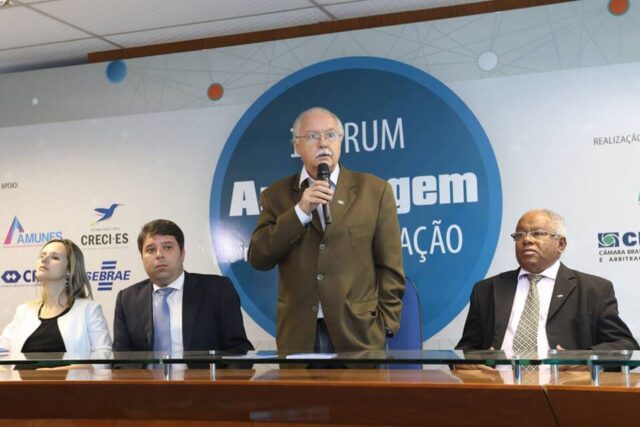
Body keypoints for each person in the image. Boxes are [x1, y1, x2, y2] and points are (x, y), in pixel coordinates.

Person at [248, 107, 405, 353]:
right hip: (299, 335)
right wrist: (300, 212)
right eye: (312, 136)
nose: (323, 143)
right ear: (297, 145)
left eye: (330, 135)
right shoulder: (275, 196)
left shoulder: (374, 191)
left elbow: (390, 267)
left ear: (340, 140)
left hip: (360, 334)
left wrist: (385, 324)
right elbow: (259, 257)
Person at [456, 209, 638, 355]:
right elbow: (467, 347)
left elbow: (624, 344)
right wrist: (471, 361)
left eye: (538, 233)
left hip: (564, 384)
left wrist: (585, 359)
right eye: (519, 234)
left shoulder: (594, 289)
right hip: (498, 384)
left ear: (561, 244)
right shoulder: (486, 289)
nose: (527, 240)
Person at [113, 219, 253, 358]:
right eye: (151, 250)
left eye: (168, 247)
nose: (159, 255)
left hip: (205, 373)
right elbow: (121, 358)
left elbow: (239, 350)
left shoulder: (217, 290)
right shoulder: (126, 299)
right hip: (145, 374)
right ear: (142, 258)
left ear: (182, 253)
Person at [0, 239, 112, 356]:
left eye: (55, 257)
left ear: (69, 269)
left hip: (74, 370)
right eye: (42, 255)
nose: (44, 259)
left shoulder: (89, 310)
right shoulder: (24, 311)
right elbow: (2, 352)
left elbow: (103, 355)